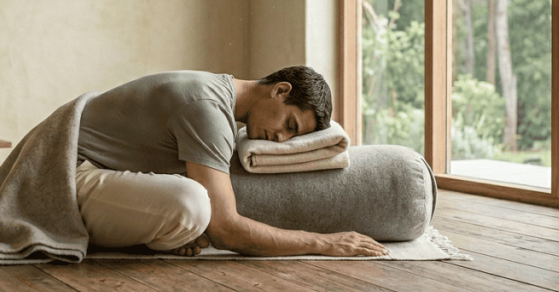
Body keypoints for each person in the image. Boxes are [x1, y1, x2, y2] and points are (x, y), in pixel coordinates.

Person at [75, 66, 389, 258]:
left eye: (291, 137)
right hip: (65, 174)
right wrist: (326, 243)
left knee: (191, 211)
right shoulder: (209, 109)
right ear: (280, 91)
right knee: (193, 205)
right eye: (290, 125)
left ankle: (150, 236)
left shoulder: (217, 93)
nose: (281, 139)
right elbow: (226, 230)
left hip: (94, 175)